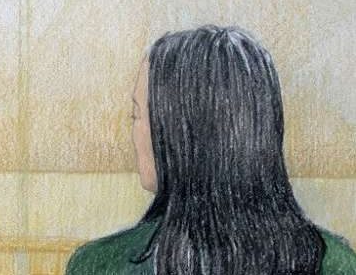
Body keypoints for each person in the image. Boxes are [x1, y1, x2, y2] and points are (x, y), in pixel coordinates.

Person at [66, 26, 356, 274]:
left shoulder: (99, 265)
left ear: (183, 134)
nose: (134, 132)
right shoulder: (336, 262)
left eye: (137, 114)